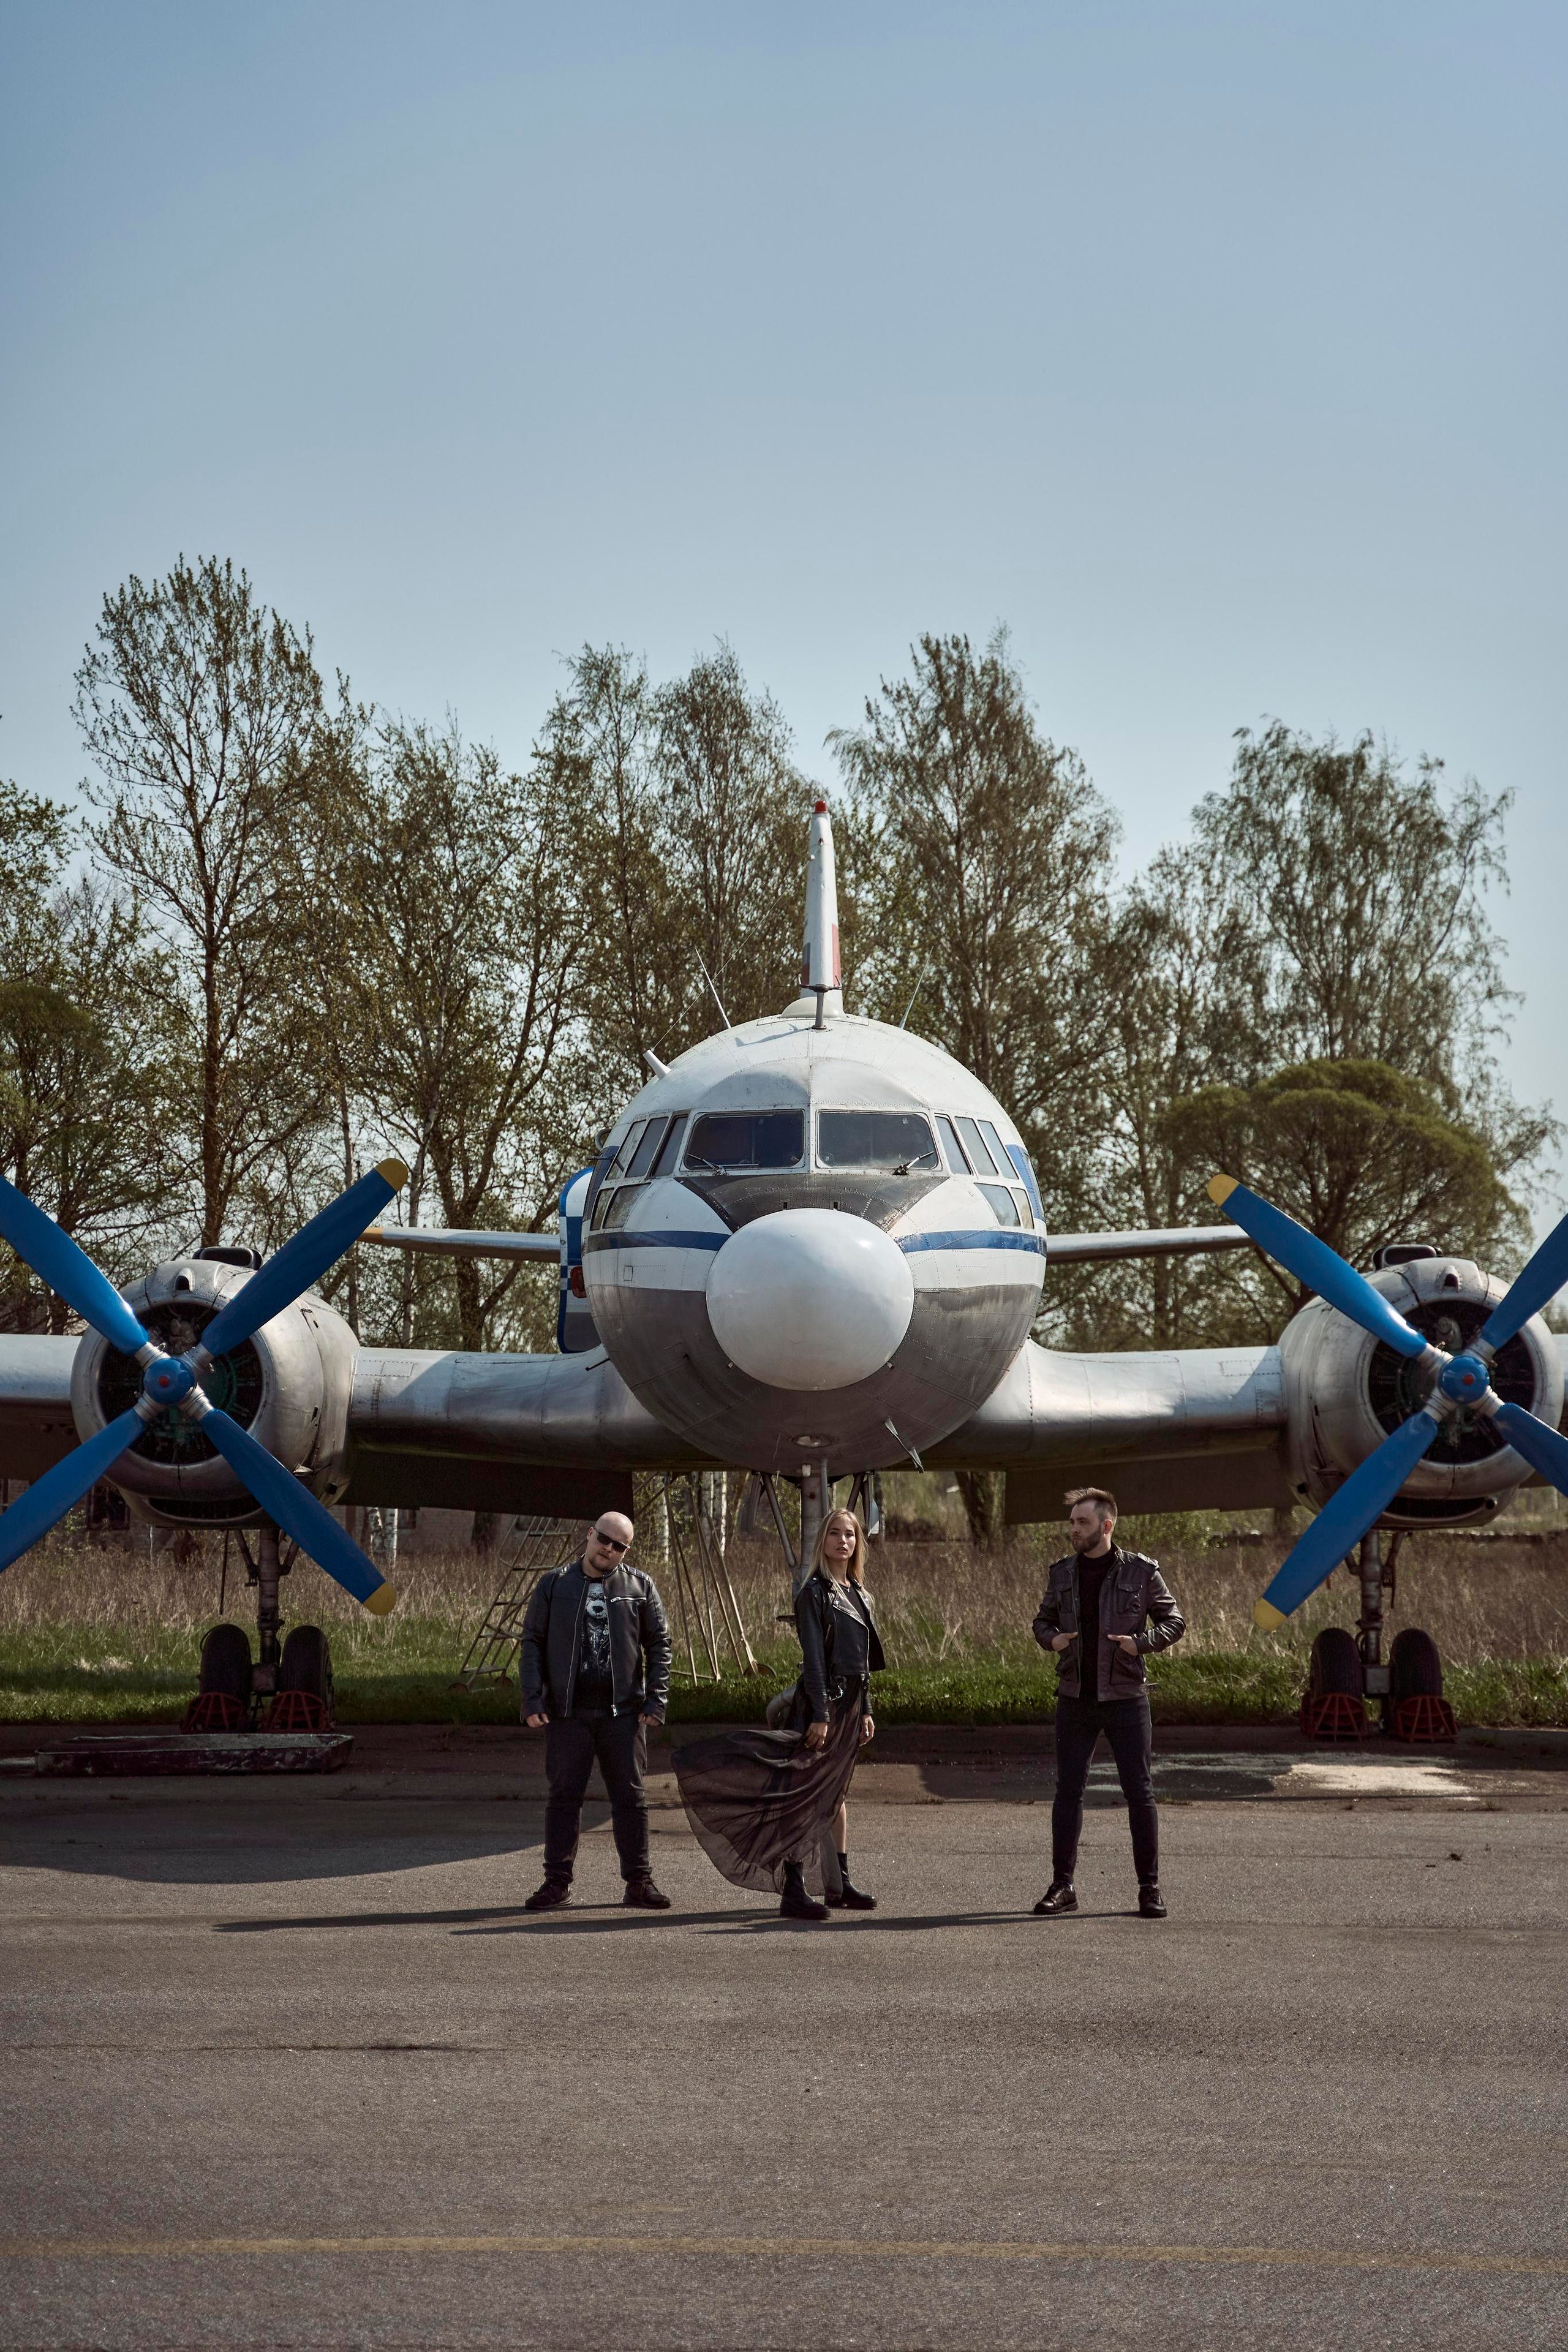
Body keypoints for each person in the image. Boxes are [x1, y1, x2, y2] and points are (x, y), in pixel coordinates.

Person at [674, 1506, 884, 1921]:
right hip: (821, 1705)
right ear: (823, 1541)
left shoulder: (860, 1593)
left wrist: (866, 1711)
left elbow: (861, 1663)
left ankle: (838, 1886)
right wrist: (820, 1714)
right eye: (836, 1534)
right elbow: (814, 1662)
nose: (844, 1541)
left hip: (850, 1705)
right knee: (802, 1799)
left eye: (851, 1535)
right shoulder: (813, 1593)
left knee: (834, 1796)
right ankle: (793, 1888)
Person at [1031, 1486, 1185, 1920]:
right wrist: (1053, 1639)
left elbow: (1174, 1621)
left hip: (1125, 1699)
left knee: (1140, 1793)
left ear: (1107, 1525)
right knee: (1068, 1793)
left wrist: (1142, 1644)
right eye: (1072, 1522)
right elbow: (1041, 1621)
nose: (1074, 1530)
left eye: (1082, 1522)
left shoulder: (1140, 1572)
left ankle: (1149, 1889)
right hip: (1075, 1698)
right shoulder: (1062, 1573)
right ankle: (1063, 1887)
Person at [519, 1510, 673, 1912]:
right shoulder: (553, 1584)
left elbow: (659, 1645)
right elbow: (532, 1642)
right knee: (564, 1798)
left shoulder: (640, 1586)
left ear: (627, 1550)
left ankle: (639, 1883)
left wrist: (657, 1699)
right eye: (604, 1539)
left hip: (624, 1713)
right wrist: (532, 1699)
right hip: (568, 1712)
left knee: (631, 1799)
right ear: (589, 1535)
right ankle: (556, 1884)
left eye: (620, 1545)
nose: (609, 1549)